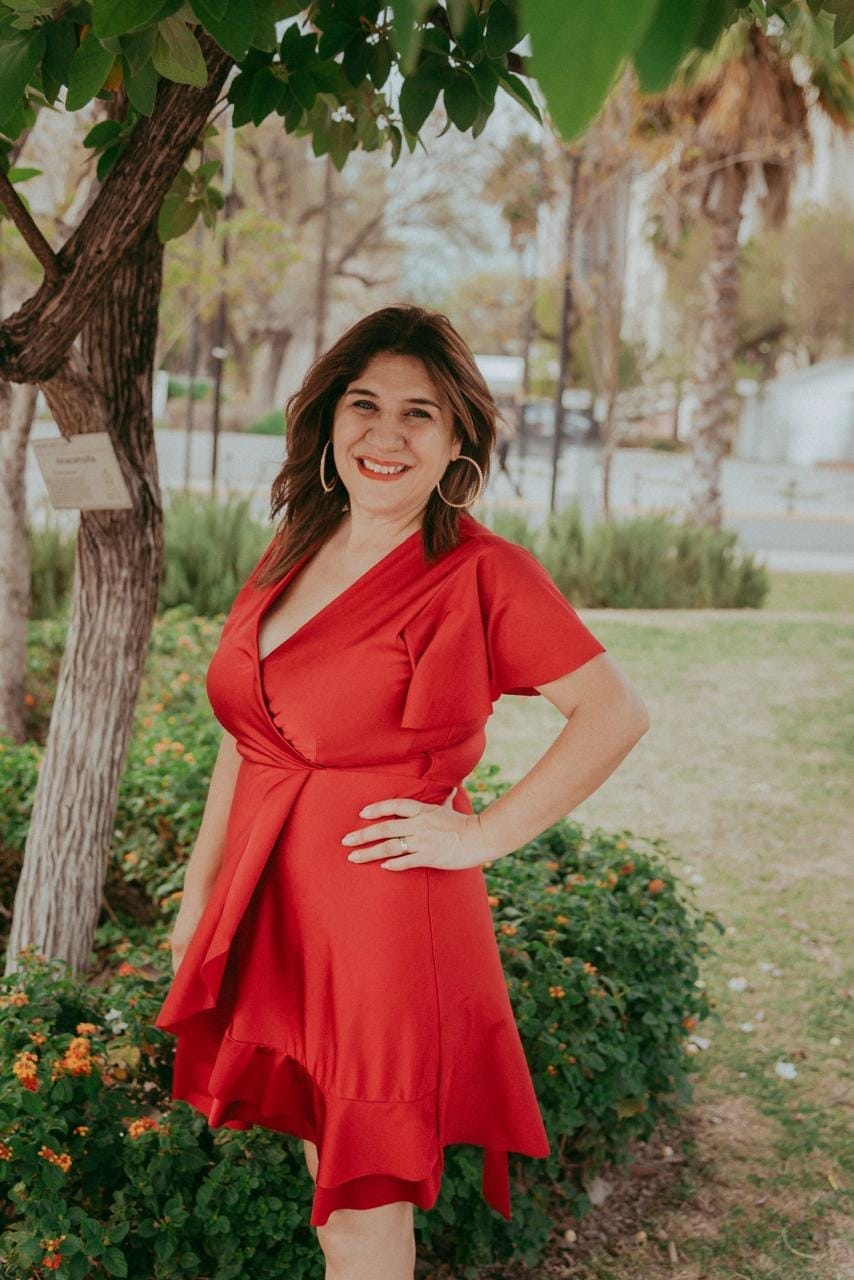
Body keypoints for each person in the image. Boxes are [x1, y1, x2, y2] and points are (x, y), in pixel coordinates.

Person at [153, 304, 650, 1280]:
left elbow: (613, 712)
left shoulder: (481, 572)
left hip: (379, 918)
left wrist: (480, 835)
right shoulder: (297, 542)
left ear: (459, 437)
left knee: (359, 1203)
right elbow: (250, 737)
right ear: (328, 418)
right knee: (323, 1173)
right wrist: (199, 893)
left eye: (419, 413)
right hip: (274, 906)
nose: (386, 434)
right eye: (365, 404)